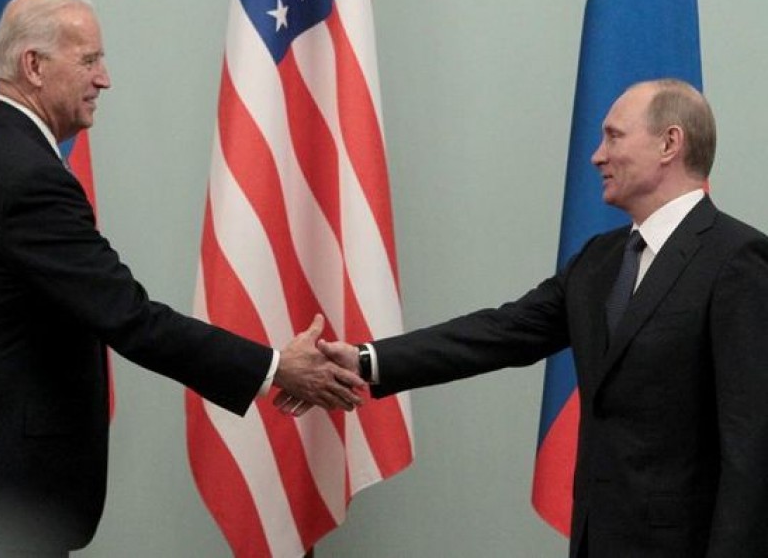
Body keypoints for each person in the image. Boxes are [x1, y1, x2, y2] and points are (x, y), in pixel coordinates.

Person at [0, 0, 364, 557]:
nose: (104, 79)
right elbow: (129, 317)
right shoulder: (24, 178)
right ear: (33, 65)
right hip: (8, 497)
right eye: (88, 60)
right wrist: (276, 367)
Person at [309, 79, 768, 557]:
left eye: (613, 136)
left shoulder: (736, 260)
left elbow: (752, 444)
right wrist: (366, 359)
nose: (596, 156)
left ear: (669, 143)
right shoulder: (600, 260)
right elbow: (500, 332)